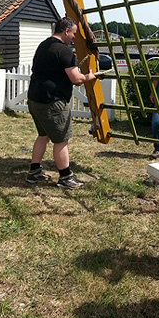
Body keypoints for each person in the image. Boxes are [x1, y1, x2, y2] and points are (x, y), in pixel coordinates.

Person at [26, 17, 97, 190]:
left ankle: (34, 172)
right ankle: (65, 177)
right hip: (53, 102)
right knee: (61, 140)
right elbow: (76, 79)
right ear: (66, 31)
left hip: (35, 99)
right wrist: (93, 76)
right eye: (73, 33)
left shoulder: (44, 45)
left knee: (43, 136)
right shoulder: (64, 51)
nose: (73, 37)